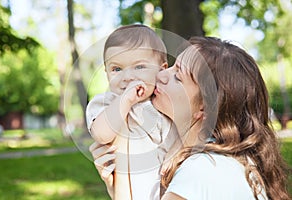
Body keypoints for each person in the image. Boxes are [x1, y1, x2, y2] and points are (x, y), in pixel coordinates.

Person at [90, 36, 291, 200]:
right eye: (172, 67)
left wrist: (125, 145)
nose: (161, 75)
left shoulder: (204, 171)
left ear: (206, 107)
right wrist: (117, 185)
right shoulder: (221, 161)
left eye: (178, 76)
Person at [86, 24, 177, 200]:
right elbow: (101, 134)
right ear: (107, 74)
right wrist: (125, 100)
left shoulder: (167, 104)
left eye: (139, 67)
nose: (127, 77)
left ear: (162, 69)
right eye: (117, 69)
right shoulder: (108, 103)